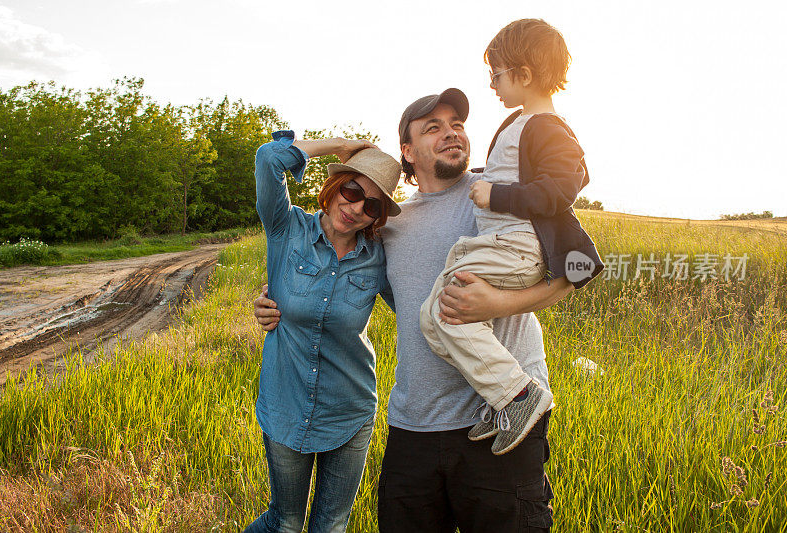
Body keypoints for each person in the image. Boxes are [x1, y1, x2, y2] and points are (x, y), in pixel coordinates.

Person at [256, 89, 573, 532]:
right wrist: (278, 300)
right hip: (414, 427)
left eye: (457, 125)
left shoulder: (499, 196)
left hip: (500, 417)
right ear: (407, 151)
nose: (451, 134)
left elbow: (572, 271)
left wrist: (499, 303)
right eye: (433, 127)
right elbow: (338, 273)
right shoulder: (387, 226)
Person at [418, 18, 604, 456]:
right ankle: (502, 397)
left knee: (446, 314)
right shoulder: (517, 122)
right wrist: (485, 180)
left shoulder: (548, 126)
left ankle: (520, 396)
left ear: (523, 75)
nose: (492, 84)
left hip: (517, 247)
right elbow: (510, 172)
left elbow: (566, 185)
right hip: (497, 245)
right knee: (433, 321)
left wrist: (496, 194)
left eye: (496, 74)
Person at [243, 130, 401, 533]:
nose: (356, 208)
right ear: (333, 187)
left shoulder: (379, 256)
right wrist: (337, 145)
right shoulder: (287, 228)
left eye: (372, 204)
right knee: (286, 522)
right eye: (351, 189)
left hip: (350, 409)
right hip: (286, 404)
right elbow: (267, 159)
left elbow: (415, 302)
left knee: (330, 526)